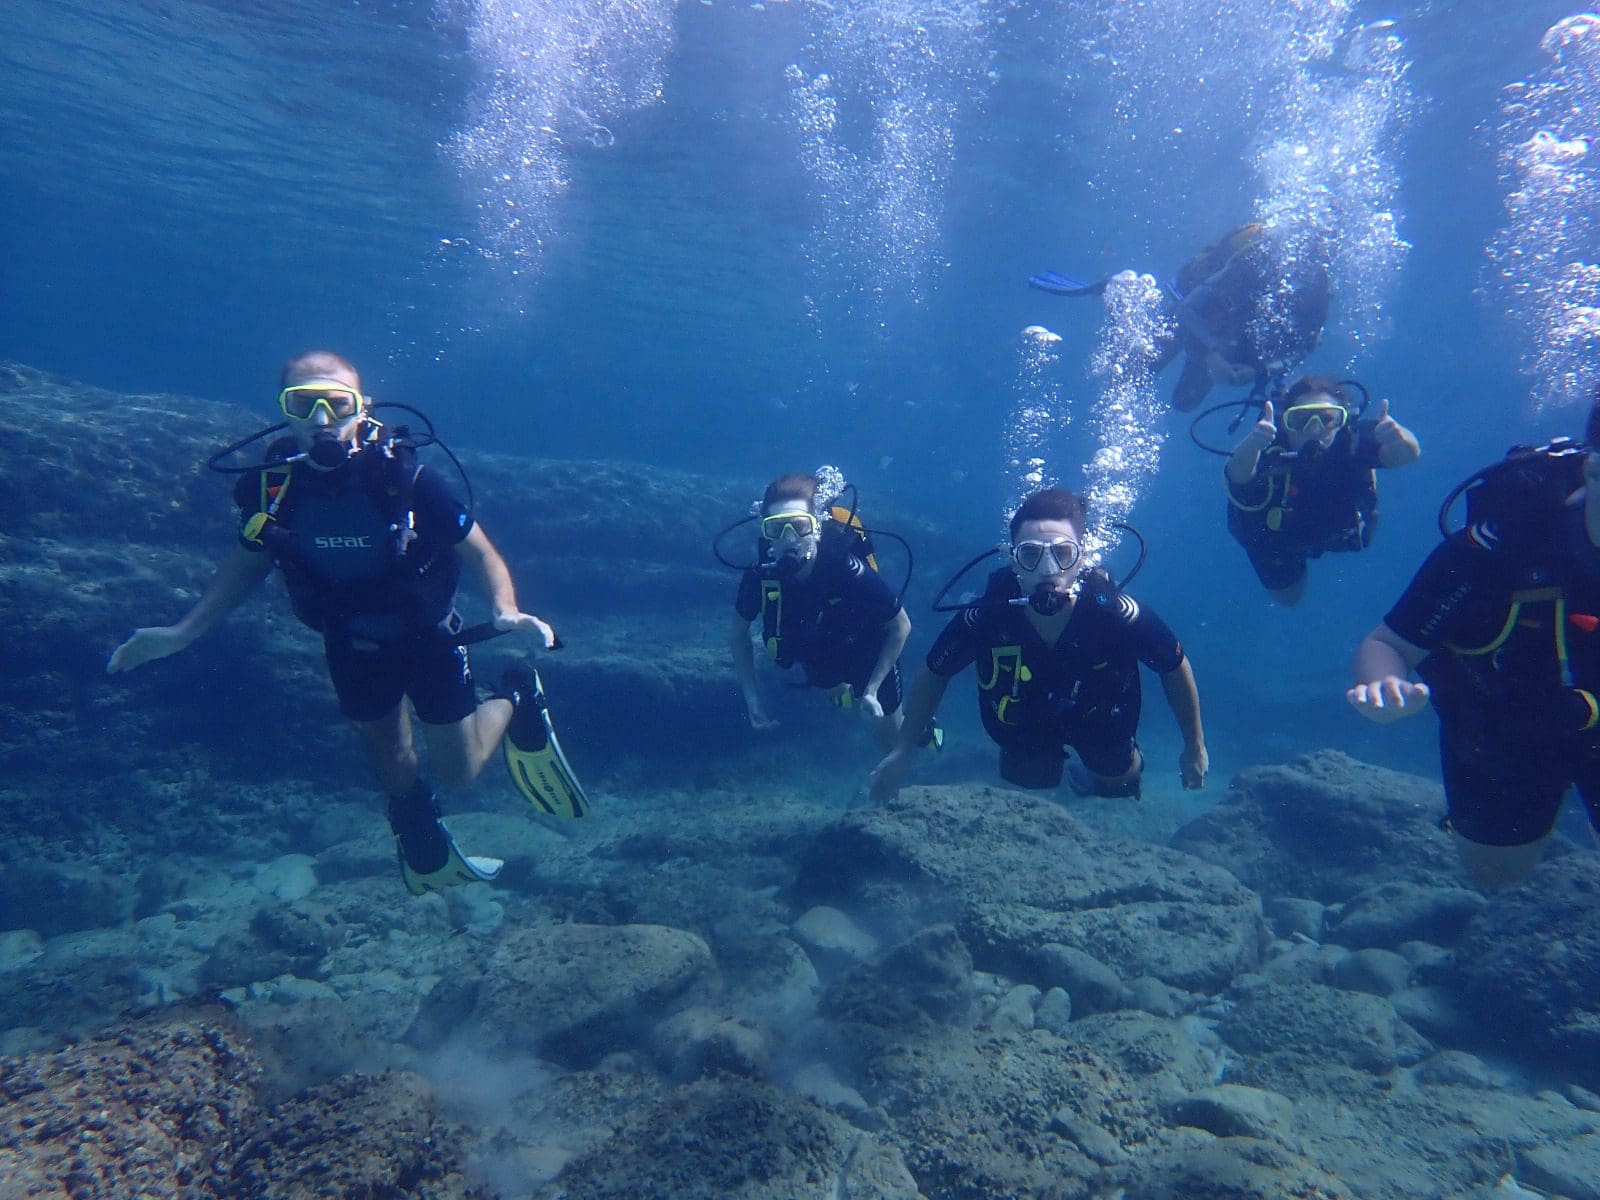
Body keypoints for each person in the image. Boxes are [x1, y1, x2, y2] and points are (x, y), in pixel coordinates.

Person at [108, 350, 582, 896]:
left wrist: (504, 608)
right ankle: (415, 819)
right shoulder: (271, 489)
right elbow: (247, 564)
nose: (321, 420)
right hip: (350, 641)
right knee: (389, 756)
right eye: (302, 404)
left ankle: (516, 694)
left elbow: (480, 553)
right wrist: (183, 632)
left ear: (362, 407)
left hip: (428, 636)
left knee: (460, 771)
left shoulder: (407, 479)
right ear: (283, 411)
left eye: (336, 403)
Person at [1348, 398, 1600, 890]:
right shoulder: (1499, 545)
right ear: (1591, 468)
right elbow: (1389, 642)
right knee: (1495, 879)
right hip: (1501, 737)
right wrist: (1383, 687)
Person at [871, 487, 1208, 801]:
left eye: (1063, 553)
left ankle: (1108, 774)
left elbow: (1173, 665)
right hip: (1026, 725)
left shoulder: (1117, 614)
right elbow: (935, 671)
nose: (1048, 570)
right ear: (1012, 559)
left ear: (1082, 558)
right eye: (1031, 554)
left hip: (1100, 724)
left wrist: (1195, 747)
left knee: (1118, 779)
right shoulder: (988, 615)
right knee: (1029, 778)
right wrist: (903, 749)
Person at [1031, 223, 1331, 412]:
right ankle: (1123, 299)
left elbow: (1306, 345)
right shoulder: (1250, 264)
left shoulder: (1317, 290)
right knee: (1127, 378)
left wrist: (1260, 370)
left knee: (1184, 403)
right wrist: (1211, 354)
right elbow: (1186, 309)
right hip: (1196, 318)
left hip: (1232, 339)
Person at [729, 472, 915, 756]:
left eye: (800, 526)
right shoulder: (761, 577)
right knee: (830, 683)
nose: (789, 538)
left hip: (869, 652)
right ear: (766, 534)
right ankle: (846, 691)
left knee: (891, 742)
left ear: (816, 527)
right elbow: (737, 635)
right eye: (776, 528)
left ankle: (918, 731)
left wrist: (872, 689)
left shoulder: (845, 568)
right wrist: (751, 698)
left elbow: (901, 625)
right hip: (819, 658)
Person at [1225, 375, 1421, 605]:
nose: (1315, 429)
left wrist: (1402, 439)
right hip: (1276, 542)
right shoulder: (1267, 446)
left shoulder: (1355, 440)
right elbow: (1237, 476)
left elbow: (1403, 455)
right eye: (1301, 419)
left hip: (1333, 531)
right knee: (1289, 599)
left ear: (1343, 420)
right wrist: (1251, 446)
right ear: (1285, 423)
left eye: (1327, 419)